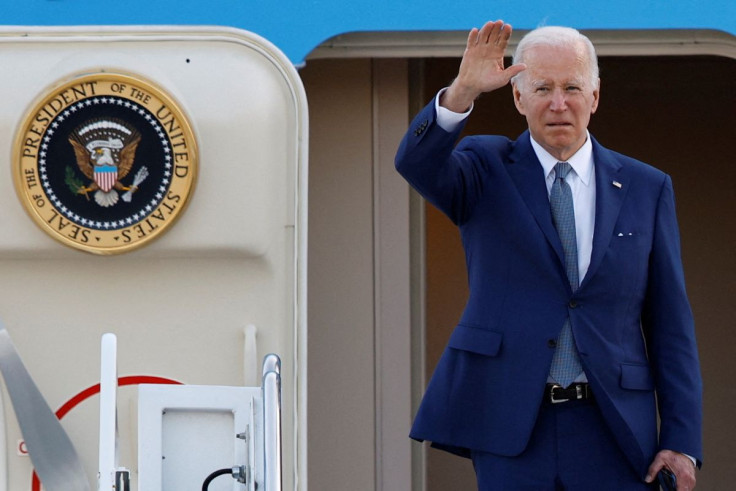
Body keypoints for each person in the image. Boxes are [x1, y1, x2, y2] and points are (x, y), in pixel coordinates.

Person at [395, 21, 702, 490]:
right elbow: (415, 163)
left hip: (614, 428)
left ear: (595, 96)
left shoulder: (647, 187)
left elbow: (670, 323)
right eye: (542, 88)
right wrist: (462, 92)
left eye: (572, 87)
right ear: (518, 99)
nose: (559, 103)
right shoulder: (485, 167)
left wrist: (681, 441)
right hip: (513, 423)